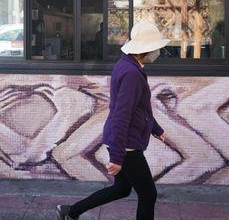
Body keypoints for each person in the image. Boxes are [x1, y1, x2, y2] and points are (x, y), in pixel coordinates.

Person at [56, 20, 170, 220]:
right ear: (148, 48)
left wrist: (156, 129)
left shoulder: (127, 64)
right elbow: (121, 115)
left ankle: (70, 212)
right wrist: (117, 157)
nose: (158, 52)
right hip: (126, 145)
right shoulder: (132, 73)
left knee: (121, 189)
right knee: (148, 194)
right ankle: (70, 212)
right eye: (156, 48)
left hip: (121, 140)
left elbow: (138, 109)